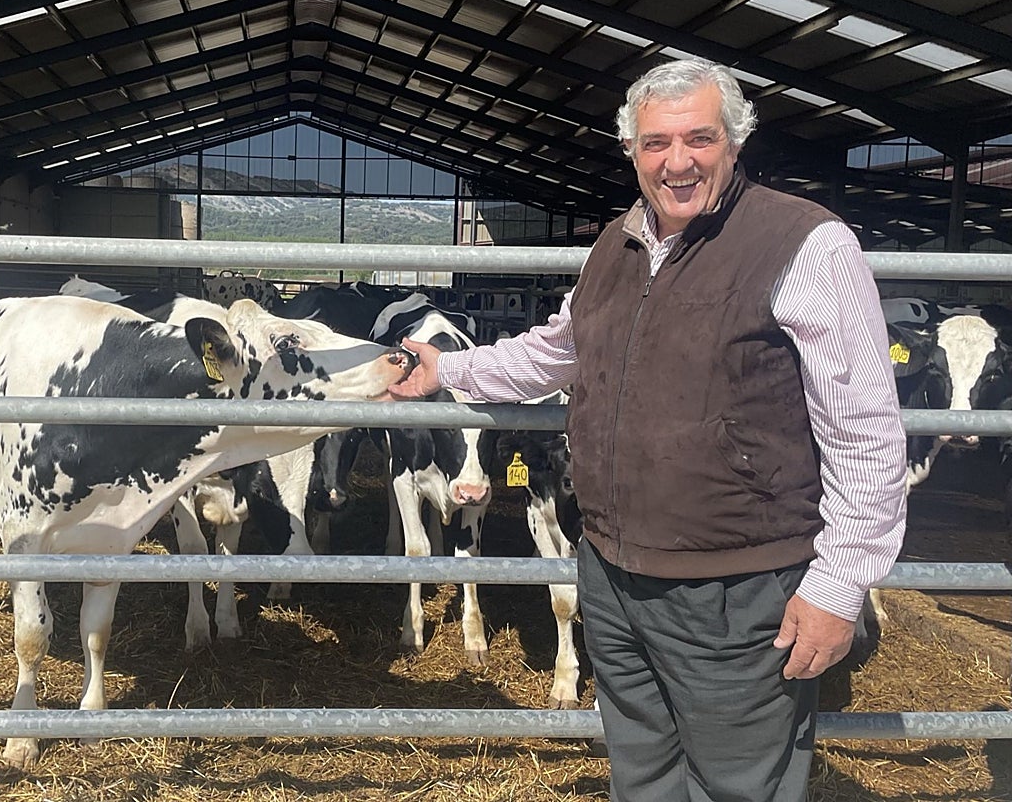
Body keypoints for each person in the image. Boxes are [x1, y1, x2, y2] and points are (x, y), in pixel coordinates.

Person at [387, 57, 907, 801]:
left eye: (700, 138)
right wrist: (450, 372)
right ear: (631, 150)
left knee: (738, 784)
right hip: (612, 573)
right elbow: (559, 351)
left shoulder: (805, 242)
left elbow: (865, 429)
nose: (679, 161)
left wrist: (838, 583)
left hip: (739, 587)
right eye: (657, 143)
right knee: (642, 775)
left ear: (735, 142)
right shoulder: (615, 245)